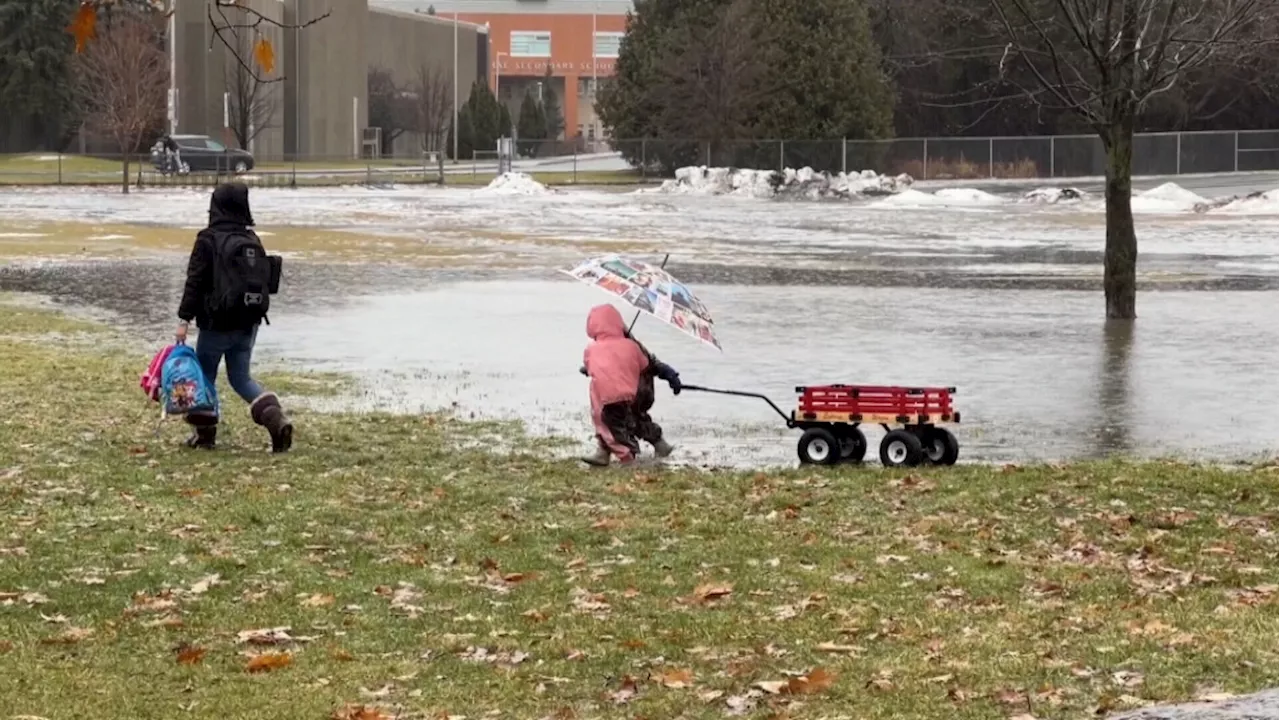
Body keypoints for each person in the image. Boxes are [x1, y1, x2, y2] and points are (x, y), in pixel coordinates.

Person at [175, 182, 292, 453]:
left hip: (216, 324)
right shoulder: (252, 239)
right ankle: (276, 419)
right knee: (241, 378)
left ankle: (204, 436)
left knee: (204, 378)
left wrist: (183, 320)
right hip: (248, 322)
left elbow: (194, 282)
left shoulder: (207, 239)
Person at [580, 304, 649, 467]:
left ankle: (627, 456)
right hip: (627, 395)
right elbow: (644, 364)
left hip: (604, 397)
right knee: (618, 423)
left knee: (608, 425)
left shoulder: (592, 349)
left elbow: (589, 367)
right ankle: (603, 453)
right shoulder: (632, 346)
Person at [627, 331, 681, 458]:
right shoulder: (636, 346)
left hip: (628, 392)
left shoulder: (611, 349)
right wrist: (670, 375)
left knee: (619, 420)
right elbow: (653, 363)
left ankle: (630, 452)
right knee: (638, 418)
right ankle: (659, 444)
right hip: (645, 392)